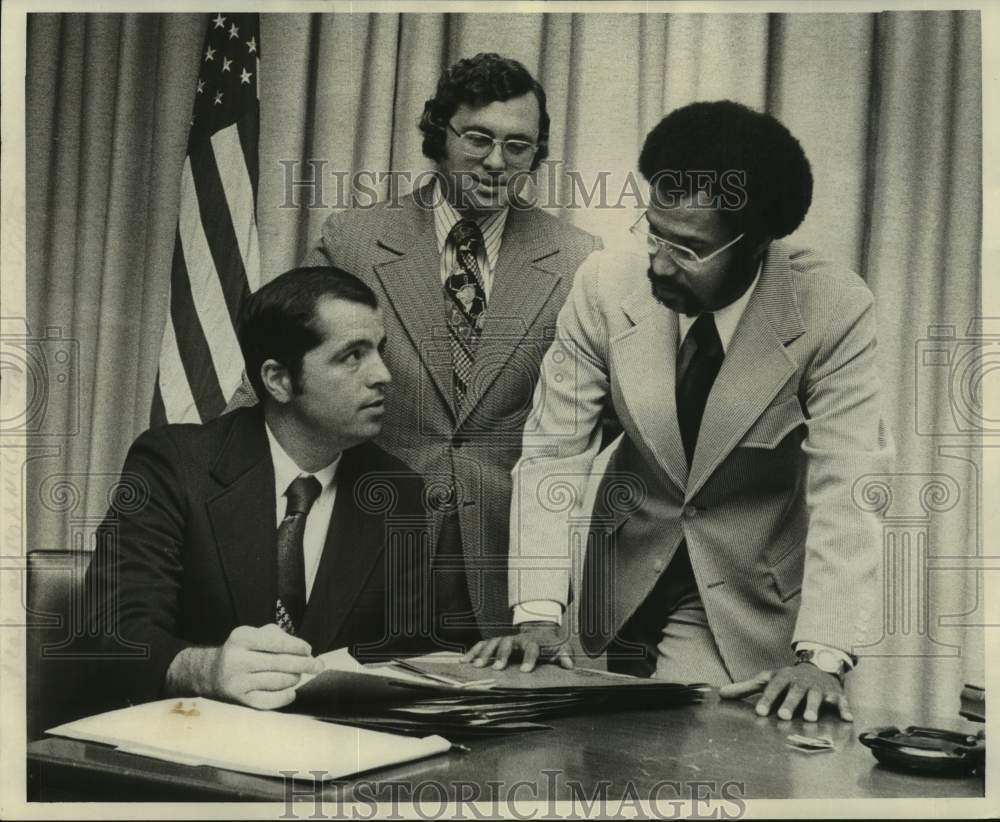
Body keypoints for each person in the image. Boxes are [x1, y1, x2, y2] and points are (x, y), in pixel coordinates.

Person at [466, 100, 894, 723]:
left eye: (688, 250)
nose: (660, 263)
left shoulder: (832, 306)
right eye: (654, 232)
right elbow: (552, 455)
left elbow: (850, 484)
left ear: (758, 245)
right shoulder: (604, 285)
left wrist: (822, 658)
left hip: (745, 593)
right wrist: (537, 613)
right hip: (619, 572)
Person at [230, 53, 601, 649]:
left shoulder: (578, 259)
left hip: (501, 562)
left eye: (518, 146)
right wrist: (207, 486)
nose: (496, 162)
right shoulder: (355, 238)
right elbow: (282, 364)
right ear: (439, 134)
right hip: (369, 536)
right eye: (478, 138)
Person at [84, 266, 429, 711]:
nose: (383, 374)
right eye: (352, 356)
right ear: (278, 380)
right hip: (194, 750)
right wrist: (205, 670)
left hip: (339, 759)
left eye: (379, 350)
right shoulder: (174, 464)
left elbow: (418, 653)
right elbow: (112, 634)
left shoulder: (397, 491)